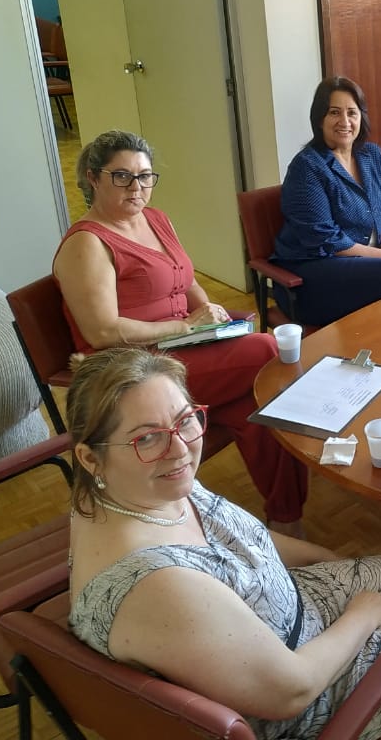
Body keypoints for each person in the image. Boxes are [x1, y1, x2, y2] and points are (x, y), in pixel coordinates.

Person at [66, 348, 381, 740]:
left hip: (286, 615)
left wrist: (327, 561)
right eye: (146, 437)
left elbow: (239, 539)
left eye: (186, 420)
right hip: (301, 702)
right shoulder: (158, 583)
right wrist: (360, 617)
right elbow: (292, 691)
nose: (181, 448)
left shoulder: (139, 487)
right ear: (90, 457)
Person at [53, 130, 308, 534]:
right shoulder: (88, 243)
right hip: (132, 370)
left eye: (145, 176)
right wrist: (186, 325)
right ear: (93, 178)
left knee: (257, 411)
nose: (137, 187)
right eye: (122, 177)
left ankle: (286, 522)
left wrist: (208, 310)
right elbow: (101, 330)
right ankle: (322, 411)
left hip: (181, 349)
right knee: (264, 349)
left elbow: (185, 280)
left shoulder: (155, 219)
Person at [271, 77, 381, 326]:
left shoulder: (371, 155)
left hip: (365, 267)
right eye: (334, 112)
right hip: (313, 277)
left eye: (352, 113)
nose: (345, 122)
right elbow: (325, 240)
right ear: (319, 119)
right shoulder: (307, 167)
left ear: (361, 117)